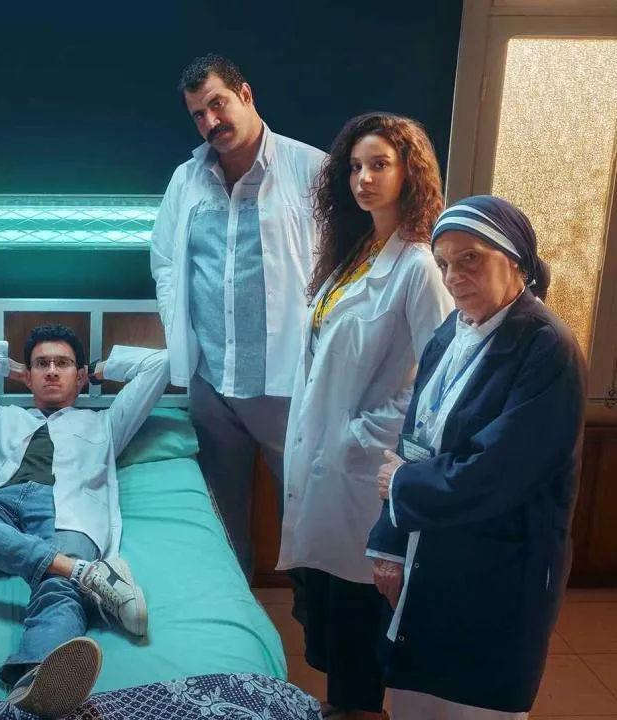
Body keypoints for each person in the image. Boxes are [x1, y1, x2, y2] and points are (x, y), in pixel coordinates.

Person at [366, 196, 586, 719]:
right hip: (431, 547)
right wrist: (389, 541)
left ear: (515, 260)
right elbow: (414, 438)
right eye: (444, 264)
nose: (453, 277)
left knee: (476, 702)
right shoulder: (453, 331)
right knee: (419, 697)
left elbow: (499, 471)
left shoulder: (548, 348)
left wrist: (403, 487)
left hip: (501, 563)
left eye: (470, 259)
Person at [0, 324, 168, 719]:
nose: (51, 371)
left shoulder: (107, 423)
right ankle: (81, 572)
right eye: (42, 364)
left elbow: (161, 363)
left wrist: (97, 371)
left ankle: (34, 680)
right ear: (28, 374)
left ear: (79, 376)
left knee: (59, 589)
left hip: (67, 516)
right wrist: (14, 369)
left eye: (62, 364)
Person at [277, 113, 453, 719]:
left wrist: (365, 433)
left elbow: (438, 380)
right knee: (330, 607)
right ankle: (343, 705)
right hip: (327, 457)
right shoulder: (354, 253)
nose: (364, 178)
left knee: (357, 613)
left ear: (410, 172)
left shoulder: (420, 266)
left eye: (380, 164)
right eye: (355, 167)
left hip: (363, 464)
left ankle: (357, 709)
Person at [149, 53, 326, 595]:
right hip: (212, 381)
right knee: (221, 520)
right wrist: (182, 343)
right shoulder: (187, 179)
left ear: (245, 94)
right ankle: (228, 611)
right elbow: (165, 262)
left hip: (287, 381)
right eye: (198, 115)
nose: (210, 122)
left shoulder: (310, 169)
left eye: (217, 104)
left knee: (305, 512)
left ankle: (316, 616)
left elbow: (338, 266)